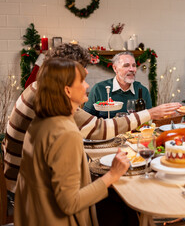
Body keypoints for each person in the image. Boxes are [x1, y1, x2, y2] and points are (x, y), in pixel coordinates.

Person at [2, 43, 180, 194]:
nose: (86, 73)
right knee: (113, 192)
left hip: (23, 174)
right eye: (82, 68)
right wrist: (150, 113)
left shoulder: (39, 86)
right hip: (27, 185)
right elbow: (97, 129)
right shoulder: (49, 94)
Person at [14, 58, 130, 225]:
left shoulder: (40, 122)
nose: (87, 86)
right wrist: (113, 174)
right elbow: (70, 203)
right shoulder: (65, 133)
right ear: (67, 91)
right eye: (82, 81)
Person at [83, 51, 152, 118]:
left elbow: (149, 120)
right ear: (115, 68)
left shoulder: (143, 91)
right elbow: (84, 119)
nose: (132, 69)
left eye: (134, 65)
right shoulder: (98, 89)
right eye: (126, 66)